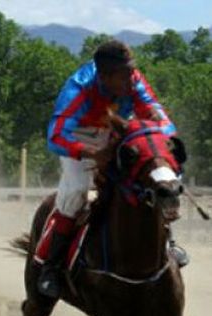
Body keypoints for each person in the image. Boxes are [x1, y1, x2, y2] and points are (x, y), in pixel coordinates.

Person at [39, 39, 187, 299]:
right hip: (79, 139)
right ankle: (51, 267)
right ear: (105, 76)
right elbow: (55, 136)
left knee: (150, 180)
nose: (133, 79)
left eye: (132, 71)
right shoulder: (78, 89)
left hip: (118, 133)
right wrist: (93, 154)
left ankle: (167, 244)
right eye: (125, 74)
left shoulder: (134, 81)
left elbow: (160, 117)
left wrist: (160, 140)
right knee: (76, 192)